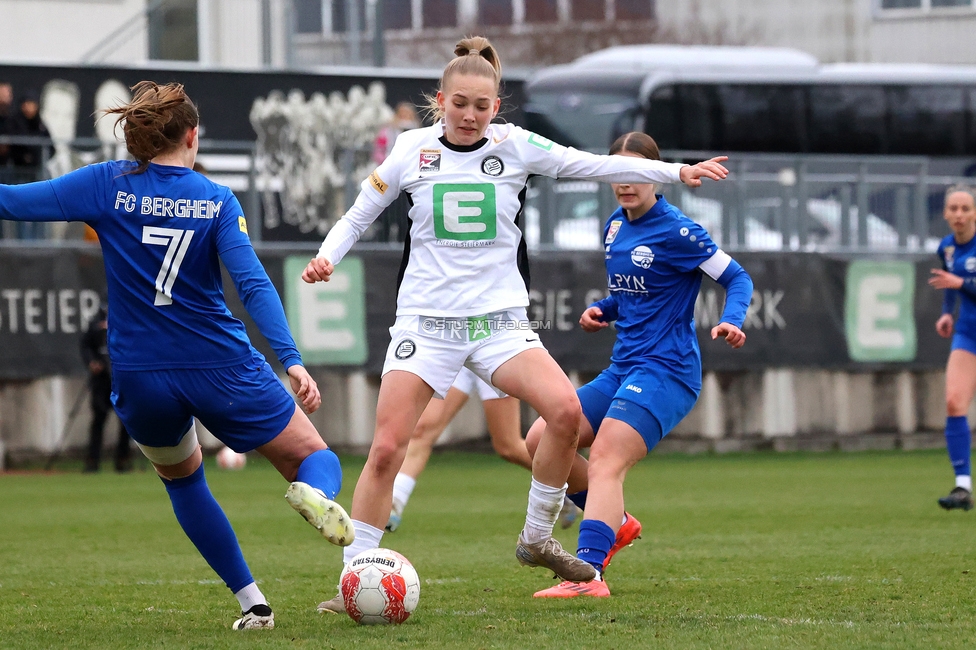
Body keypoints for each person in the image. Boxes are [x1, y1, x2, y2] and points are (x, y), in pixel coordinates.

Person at [302, 36, 729, 611]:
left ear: (496, 106)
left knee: (564, 411)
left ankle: (536, 535)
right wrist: (328, 255)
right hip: (426, 324)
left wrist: (676, 171)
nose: (470, 115)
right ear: (440, 100)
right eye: (460, 103)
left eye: (482, 105)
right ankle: (352, 582)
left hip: (498, 324)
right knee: (386, 449)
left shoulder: (515, 145)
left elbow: (596, 164)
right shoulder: (410, 149)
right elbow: (357, 216)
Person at [0, 81, 354, 631]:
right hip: (220, 363)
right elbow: (253, 285)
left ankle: (253, 604)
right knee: (313, 455)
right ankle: (316, 495)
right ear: (192, 136)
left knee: (185, 482)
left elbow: (13, 200)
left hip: (142, 375)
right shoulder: (216, 199)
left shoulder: (106, 185)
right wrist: (291, 359)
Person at [528, 132, 753, 599]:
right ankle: (616, 522)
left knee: (607, 455)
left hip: (667, 371)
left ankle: (588, 576)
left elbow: (737, 277)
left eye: (636, 174)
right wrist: (604, 311)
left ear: (655, 175)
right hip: (623, 367)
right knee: (539, 437)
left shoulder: (678, 231)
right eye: (618, 174)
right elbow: (637, 292)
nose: (626, 184)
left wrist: (731, 321)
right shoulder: (614, 226)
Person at [385, 367, 530, 532]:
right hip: (457, 355)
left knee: (508, 447)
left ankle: (560, 481)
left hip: (490, 353)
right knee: (422, 430)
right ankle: (394, 503)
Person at [928, 185, 976, 511]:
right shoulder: (946, 247)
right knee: (953, 401)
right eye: (954, 208)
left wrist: (962, 284)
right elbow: (948, 282)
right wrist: (947, 311)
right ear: (945, 213)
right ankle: (962, 487)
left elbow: (957, 282)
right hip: (968, 333)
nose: (959, 214)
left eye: (966, 208)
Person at [81, 306, 133, 473]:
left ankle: (122, 460)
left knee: (126, 421)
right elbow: (85, 345)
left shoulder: (126, 318)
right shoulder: (95, 322)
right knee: (98, 419)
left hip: (121, 377)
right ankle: (92, 461)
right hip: (101, 380)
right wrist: (92, 362)